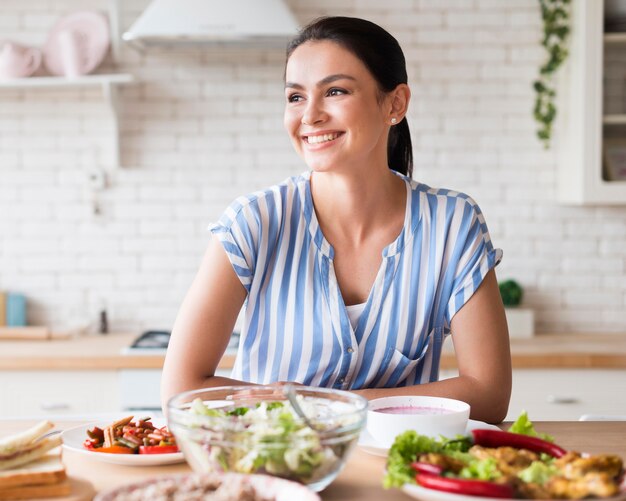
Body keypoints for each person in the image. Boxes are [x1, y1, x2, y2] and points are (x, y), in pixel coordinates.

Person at [161, 16, 511, 423]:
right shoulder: (252, 223)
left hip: (392, 476)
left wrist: (333, 406)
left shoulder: (452, 224)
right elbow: (182, 390)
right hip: (270, 472)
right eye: (295, 97)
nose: (310, 116)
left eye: (335, 91)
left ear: (394, 104)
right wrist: (340, 407)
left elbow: (488, 393)